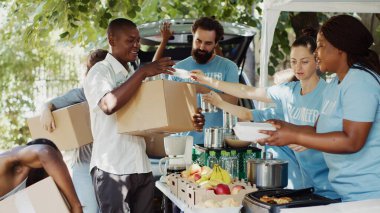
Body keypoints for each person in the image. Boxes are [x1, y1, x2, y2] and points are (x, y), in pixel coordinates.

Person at [191, 28, 339, 199]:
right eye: (293, 61)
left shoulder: (329, 93)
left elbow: (341, 134)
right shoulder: (287, 92)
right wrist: (208, 81)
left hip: (329, 185)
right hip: (301, 185)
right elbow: (248, 91)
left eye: (304, 61)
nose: (297, 67)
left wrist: (311, 140)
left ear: (316, 59)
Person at [83, 18, 204, 213]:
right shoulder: (100, 71)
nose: (137, 46)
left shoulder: (132, 71)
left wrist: (190, 120)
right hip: (112, 168)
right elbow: (108, 105)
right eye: (130, 40)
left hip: (140, 165)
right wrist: (142, 73)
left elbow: (155, 116)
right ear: (112, 39)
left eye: (138, 40)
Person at [258, 15, 380, 202]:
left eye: (321, 45)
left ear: (340, 48)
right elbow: (317, 131)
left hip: (368, 196)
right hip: (345, 193)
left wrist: (295, 136)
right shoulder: (334, 84)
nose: (316, 52)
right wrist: (284, 128)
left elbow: (352, 141)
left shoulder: (361, 81)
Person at [39, 49, 108, 213]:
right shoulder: (81, 94)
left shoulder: (115, 93)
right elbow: (49, 104)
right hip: (84, 165)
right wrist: (46, 110)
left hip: (109, 163)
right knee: (90, 209)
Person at [156, 17, 239, 145]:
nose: (201, 47)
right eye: (198, 41)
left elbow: (233, 101)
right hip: (185, 143)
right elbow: (169, 109)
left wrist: (201, 89)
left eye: (208, 43)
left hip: (219, 144)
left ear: (216, 43)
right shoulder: (178, 69)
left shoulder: (229, 67)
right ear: (193, 37)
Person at [0, 138, 82, 213]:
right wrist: (76, 206)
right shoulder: (6, 166)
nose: (57, 173)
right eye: (57, 166)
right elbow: (45, 151)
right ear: (36, 162)